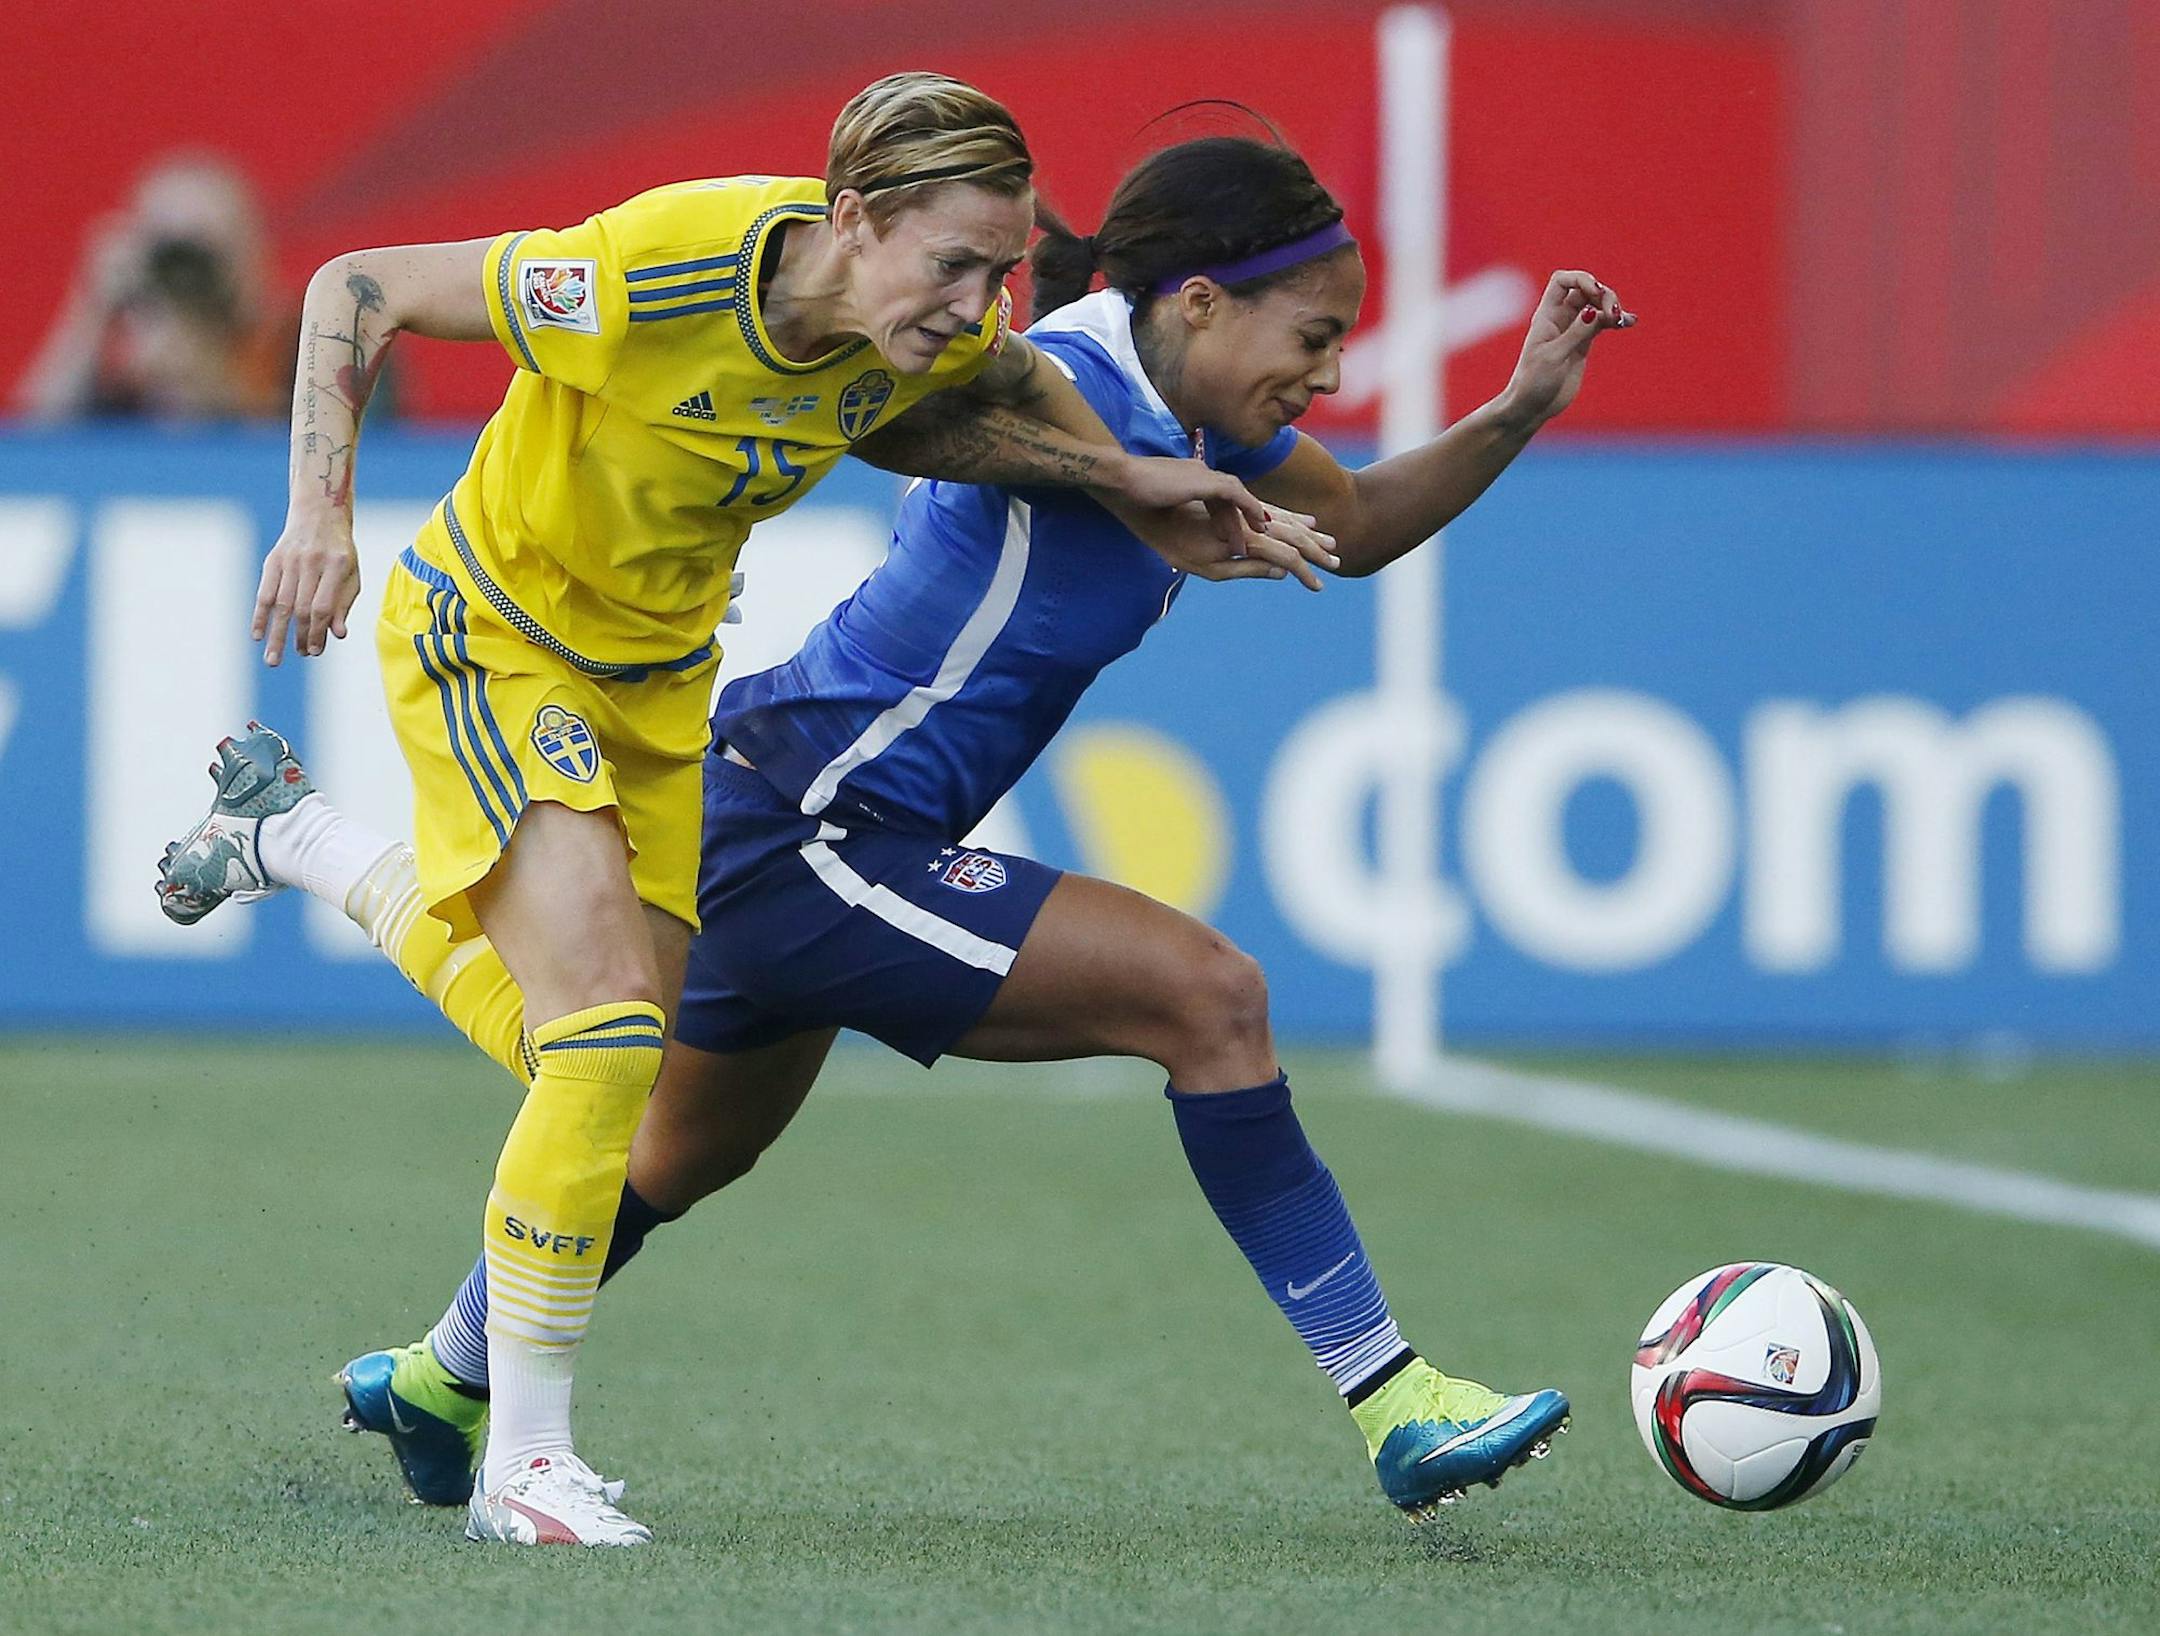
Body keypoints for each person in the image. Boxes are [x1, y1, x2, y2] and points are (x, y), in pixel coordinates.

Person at [171, 131, 1628, 1532]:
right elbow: (894, 395)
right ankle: (1395, 1398)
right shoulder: (1060, 384)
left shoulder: (1191, 420)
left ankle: (444, 1372)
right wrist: (1113, 473)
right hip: (820, 822)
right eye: (1312, 333)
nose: (1331, 370)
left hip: (779, 805)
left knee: (662, 1147)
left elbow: (1359, 519)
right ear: (1196, 301)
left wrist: (1518, 409)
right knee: (1211, 998)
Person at [17, 152, 292, 421]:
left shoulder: (288, 352)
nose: (186, 270)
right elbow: (32, 444)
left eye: (205, 247)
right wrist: (91, 313)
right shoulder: (118, 387)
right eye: (172, 244)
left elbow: (280, 442)